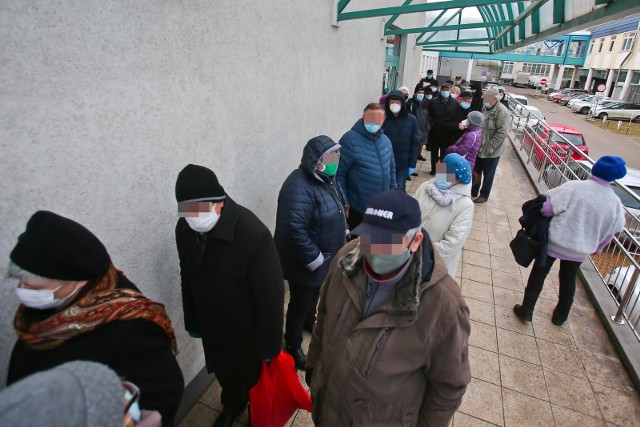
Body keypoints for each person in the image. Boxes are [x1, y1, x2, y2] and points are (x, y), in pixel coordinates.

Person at [306, 190, 471, 426]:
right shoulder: (347, 258)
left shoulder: (444, 305)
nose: (374, 249)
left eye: (388, 242)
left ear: (416, 241)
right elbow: (323, 317)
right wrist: (314, 370)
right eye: (370, 237)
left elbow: (449, 385)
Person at [7, 211, 184, 426]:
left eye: (33, 286)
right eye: (21, 283)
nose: (22, 291)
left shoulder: (129, 325)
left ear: (77, 282)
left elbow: (163, 392)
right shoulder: (42, 314)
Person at [175, 164, 284, 427]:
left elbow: (271, 296)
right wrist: (193, 320)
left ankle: (257, 414)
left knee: (252, 380)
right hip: (214, 327)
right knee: (226, 376)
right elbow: (187, 276)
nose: (193, 217)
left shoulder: (252, 235)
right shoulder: (185, 230)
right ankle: (233, 406)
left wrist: (269, 346)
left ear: (219, 203)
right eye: (187, 210)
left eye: (198, 209)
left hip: (247, 333)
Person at [514, 156, 627, 326]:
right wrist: (598, 248)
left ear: (595, 168)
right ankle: (560, 316)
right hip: (580, 250)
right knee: (568, 278)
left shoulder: (574, 187)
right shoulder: (615, 203)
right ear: (615, 177)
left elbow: (547, 209)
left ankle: (527, 310)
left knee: (539, 273)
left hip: (554, 242)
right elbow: (611, 233)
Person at [274, 136, 347, 371]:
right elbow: (292, 229)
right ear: (315, 160)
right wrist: (314, 258)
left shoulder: (326, 178)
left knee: (314, 294)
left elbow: (335, 205)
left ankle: (309, 322)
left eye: (336, 156)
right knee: (300, 301)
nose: (335, 161)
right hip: (305, 262)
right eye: (329, 157)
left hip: (323, 258)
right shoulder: (298, 185)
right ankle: (292, 344)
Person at [337, 103, 397, 230]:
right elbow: (339, 175)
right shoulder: (349, 139)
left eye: (377, 120)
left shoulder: (386, 140)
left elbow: (391, 170)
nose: (373, 123)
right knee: (357, 246)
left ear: (383, 120)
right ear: (363, 117)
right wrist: (345, 202)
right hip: (358, 209)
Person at [414, 154, 474, 276]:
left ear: (459, 180)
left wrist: (416, 250)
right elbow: (408, 212)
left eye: (448, 172)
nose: (441, 175)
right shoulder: (426, 187)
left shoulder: (465, 205)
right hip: (410, 259)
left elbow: (451, 244)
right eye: (442, 168)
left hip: (435, 266)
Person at [471, 89, 510, 203]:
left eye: (486, 99)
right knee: (477, 170)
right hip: (480, 144)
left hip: (492, 148)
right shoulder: (486, 107)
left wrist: (491, 147)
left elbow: (502, 133)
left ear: (495, 99)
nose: (484, 100)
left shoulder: (502, 112)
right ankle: (474, 190)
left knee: (489, 173)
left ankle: (484, 194)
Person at [382, 90, 420, 191]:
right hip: (384, 162)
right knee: (384, 190)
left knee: (399, 189)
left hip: (402, 163)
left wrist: (412, 164)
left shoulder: (411, 120)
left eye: (397, 102)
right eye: (392, 102)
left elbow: (415, 143)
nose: (394, 104)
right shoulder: (382, 118)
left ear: (402, 103)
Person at [427, 83, 457, 175]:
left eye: (447, 90)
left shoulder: (455, 103)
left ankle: (442, 172)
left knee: (445, 153)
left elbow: (456, 118)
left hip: (448, 133)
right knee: (434, 152)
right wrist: (433, 124)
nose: (445, 91)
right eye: (443, 89)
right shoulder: (433, 101)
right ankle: (434, 169)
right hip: (435, 131)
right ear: (440, 90)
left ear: (451, 90)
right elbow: (429, 115)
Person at [438, 90, 473, 154]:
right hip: (448, 141)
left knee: (457, 162)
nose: (468, 103)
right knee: (444, 161)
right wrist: (457, 125)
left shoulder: (470, 113)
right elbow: (442, 125)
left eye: (470, 102)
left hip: (462, 143)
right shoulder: (450, 110)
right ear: (460, 99)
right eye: (466, 101)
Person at [406, 86, 431, 162]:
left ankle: (437, 172)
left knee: (445, 155)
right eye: (419, 93)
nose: (421, 94)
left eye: (422, 93)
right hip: (415, 127)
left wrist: (428, 126)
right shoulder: (411, 103)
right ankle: (437, 171)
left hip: (425, 128)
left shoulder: (426, 102)